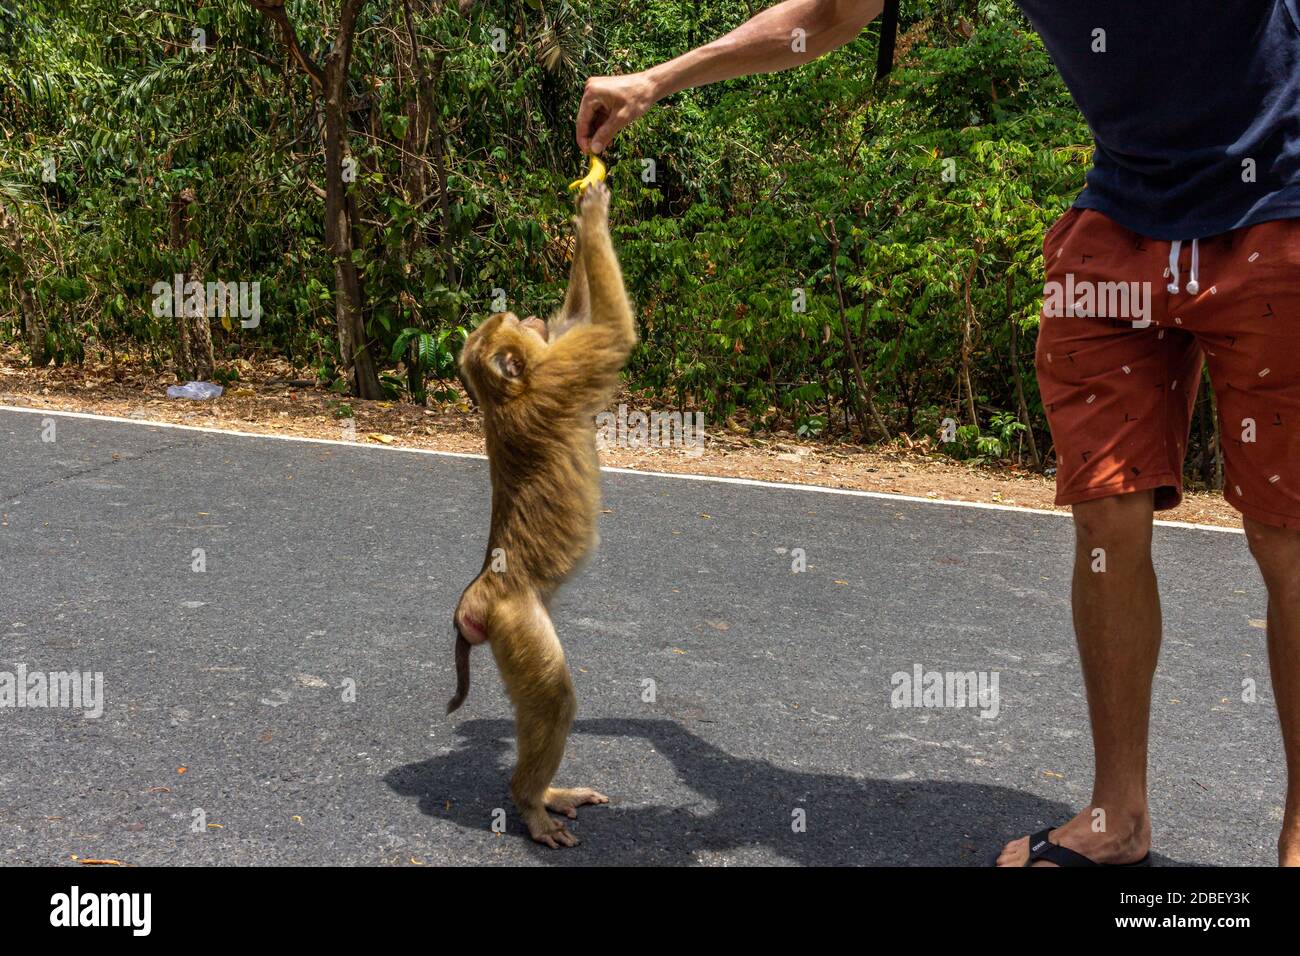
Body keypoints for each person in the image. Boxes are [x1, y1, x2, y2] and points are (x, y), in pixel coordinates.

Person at [576, 0, 1300, 866]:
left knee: (1286, 538)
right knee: (1106, 516)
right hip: (1123, 214)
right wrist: (657, 78)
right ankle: (1118, 817)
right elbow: (832, 13)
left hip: (1279, 207)